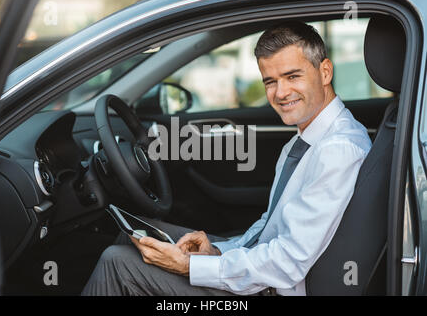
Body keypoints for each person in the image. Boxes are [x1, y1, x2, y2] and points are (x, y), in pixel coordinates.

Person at [81, 21, 372, 296]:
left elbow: (287, 263)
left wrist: (189, 266)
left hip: (278, 287)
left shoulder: (338, 150)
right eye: (270, 81)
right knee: (137, 240)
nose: (281, 93)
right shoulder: (307, 140)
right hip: (269, 273)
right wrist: (218, 253)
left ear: (324, 72)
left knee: (116, 263)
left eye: (293, 76)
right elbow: (270, 227)